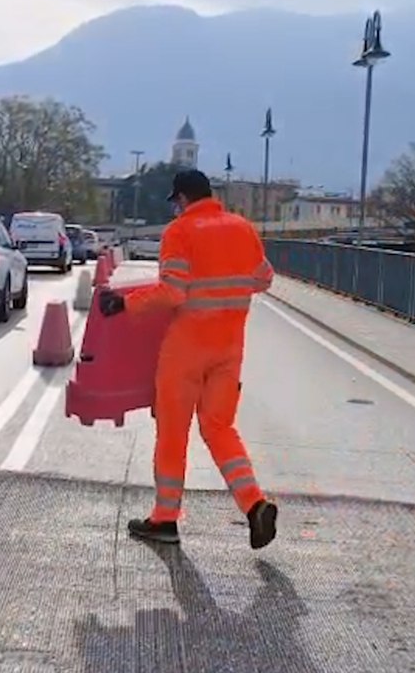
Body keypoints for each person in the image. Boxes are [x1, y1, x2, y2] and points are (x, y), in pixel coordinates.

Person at [99, 169, 278, 550]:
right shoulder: (243, 228)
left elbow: (172, 293)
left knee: (173, 433)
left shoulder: (180, 232)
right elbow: (264, 279)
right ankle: (254, 505)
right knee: (220, 430)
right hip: (229, 350)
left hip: (186, 351)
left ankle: (165, 519)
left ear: (181, 199)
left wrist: (125, 303)